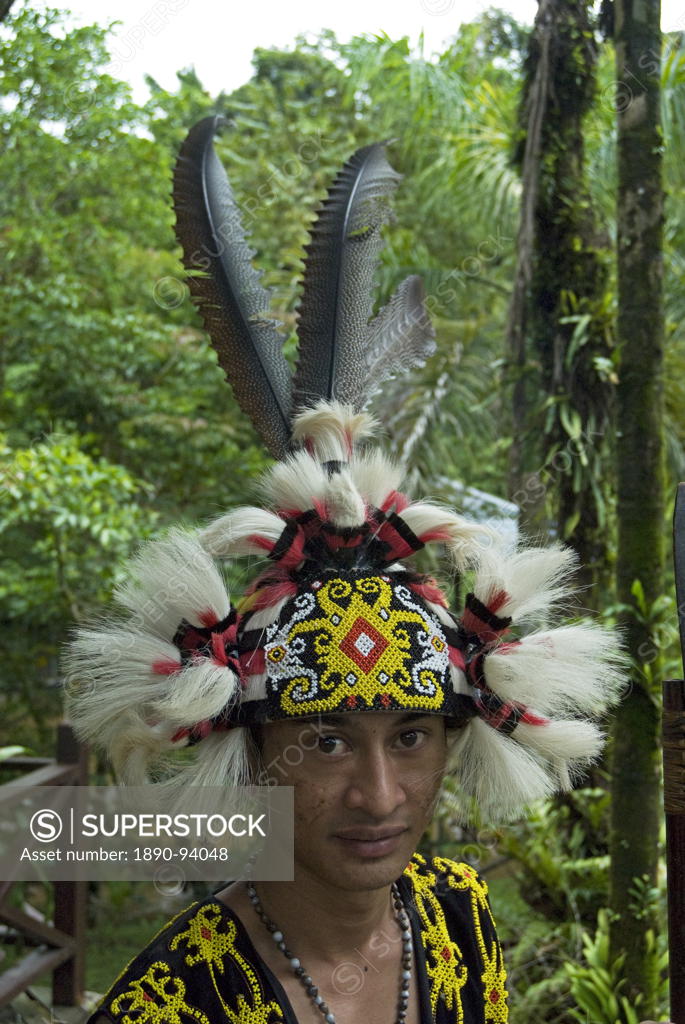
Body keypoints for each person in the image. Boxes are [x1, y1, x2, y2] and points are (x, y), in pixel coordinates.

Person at [64, 119, 633, 1023]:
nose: (378, 796)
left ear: (459, 733)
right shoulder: (172, 1006)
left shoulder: (456, 919)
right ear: (249, 750)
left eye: (410, 735)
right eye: (325, 740)